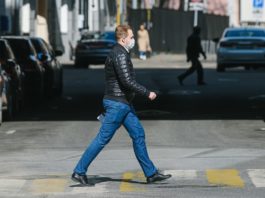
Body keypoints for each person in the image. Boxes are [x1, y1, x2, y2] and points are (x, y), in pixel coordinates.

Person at [71, 24, 171, 185]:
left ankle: (151, 173)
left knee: (138, 134)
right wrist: (147, 93)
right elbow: (127, 81)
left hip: (124, 103)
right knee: (102, 139)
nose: (133, 40)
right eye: (131, 37)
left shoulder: (121, 52)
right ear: (123, 39)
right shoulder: (119, 55)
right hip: (117, 104)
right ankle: (79, 171)